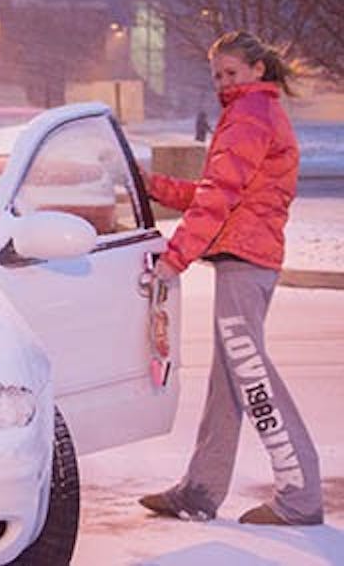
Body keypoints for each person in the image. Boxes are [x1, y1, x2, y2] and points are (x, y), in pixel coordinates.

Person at [137, 30, 323, 526]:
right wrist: (152, 186)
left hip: (248, 262)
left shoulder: (251, 114)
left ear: (257, 70)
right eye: (217, 74)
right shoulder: (248, 113)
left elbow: (220, 196)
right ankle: (200, 491)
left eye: (231, 72)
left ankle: (300, 496)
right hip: (245, 259)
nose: (223, 81)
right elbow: (214, 191)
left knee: (252, 377)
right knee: (229, 383)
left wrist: (175, 257)